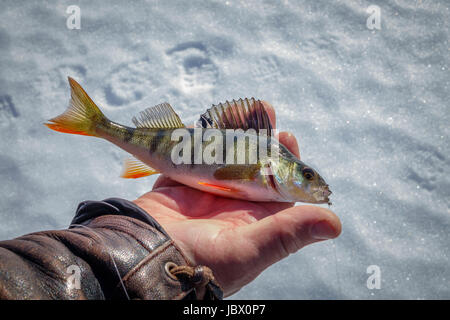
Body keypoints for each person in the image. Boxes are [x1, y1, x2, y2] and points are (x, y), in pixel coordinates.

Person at [0, 102, 341, 300]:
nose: (313, 183)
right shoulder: (263, 161)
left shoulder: (267, 165)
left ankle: (95, 123)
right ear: (280, 167)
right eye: (307, 176)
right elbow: (222, 177)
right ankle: (95, 123)